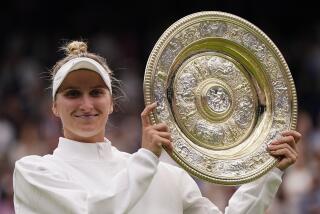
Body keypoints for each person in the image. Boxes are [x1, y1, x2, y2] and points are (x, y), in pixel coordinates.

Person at [13, 40, 300, 214]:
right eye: (73, 94)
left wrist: (266, 173)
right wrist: (147, 158)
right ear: (54, 106)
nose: (86, 104)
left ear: (112, 103)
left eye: (97, 93)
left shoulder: (167, 177)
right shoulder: (35, 173)